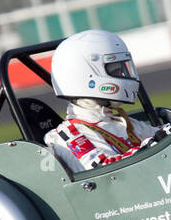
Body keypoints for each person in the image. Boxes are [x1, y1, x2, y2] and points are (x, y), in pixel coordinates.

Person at [43, 29, 157, 172]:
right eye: (116, 70)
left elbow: (157, 135)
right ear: (86, 75)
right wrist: (152, 145)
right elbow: (106, 170)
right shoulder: (67, 135)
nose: (124, 75)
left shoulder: (117, 120)